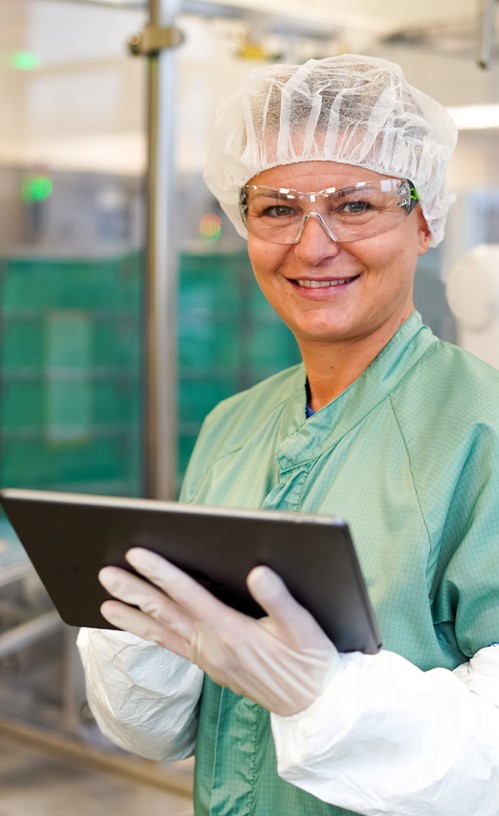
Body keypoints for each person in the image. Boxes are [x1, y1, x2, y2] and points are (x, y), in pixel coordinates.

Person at [77, 54, 499, 816]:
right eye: (277, 209)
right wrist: (137, 638)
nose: (311, 246)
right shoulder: (232, 425)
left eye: (355, 205)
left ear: (425, 217)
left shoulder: (483, 432)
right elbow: (167, 732)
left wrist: (322, 694)